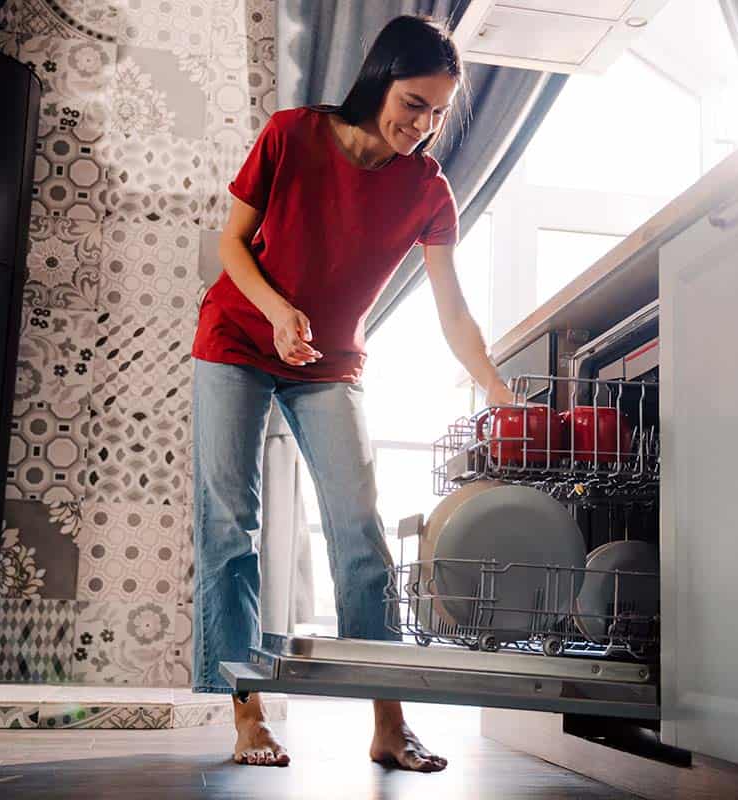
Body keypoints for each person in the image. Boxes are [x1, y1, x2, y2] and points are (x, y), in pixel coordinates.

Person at [190, 14, 515, 771]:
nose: (422, 125)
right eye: (412, 104)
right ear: (378, 82)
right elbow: (231, 244)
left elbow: (453, 309)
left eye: (437, 112)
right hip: (238, 339)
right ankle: (246, 718)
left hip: (330, 364)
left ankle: (389, 724)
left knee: (360, 537)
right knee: (229, 528)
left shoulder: (426, 189)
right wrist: (277, 312)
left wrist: (498, 390)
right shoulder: (291, 135)